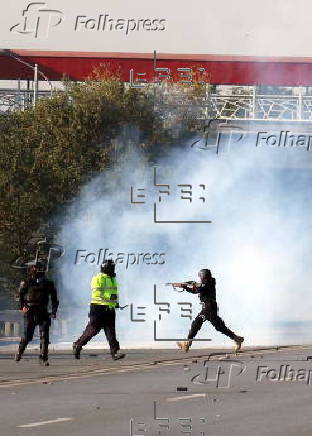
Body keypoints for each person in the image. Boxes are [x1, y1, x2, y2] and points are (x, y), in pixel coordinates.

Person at [176, 269, 244, 352]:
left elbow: (197, 289)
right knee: (220, 327)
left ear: (204, 277)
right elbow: (196, 287)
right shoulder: (209, 282)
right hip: (210, 308)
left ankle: (187, 344)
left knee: (197, 323)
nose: (200, 279)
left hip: (208, 308)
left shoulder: (206, 284)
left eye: (201, 277)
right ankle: (237, 338)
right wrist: (187, 284)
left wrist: (185, 287)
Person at [73, 259, 125, 361]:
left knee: (111, 332)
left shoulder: (113, 279)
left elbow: (114, 293)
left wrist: (116, 303)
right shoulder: (98, 278)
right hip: (98, 308)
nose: (113, 269)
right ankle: (78, 344)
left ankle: (115, 352)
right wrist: (110, 297)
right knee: (92, 330)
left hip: (109, 309)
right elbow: (97, 293)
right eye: (111, 267)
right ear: (106, 268)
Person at [15, 262, 59, 366]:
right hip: (30, 311)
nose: (39, 270)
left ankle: (43, 358)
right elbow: (19, 296)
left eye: (41, 268)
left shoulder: (49, 283)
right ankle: (19, 352)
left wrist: (53, 311)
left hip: (43, 310)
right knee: (27, 336)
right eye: (36, 268)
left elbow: (54, 299)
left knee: (44, 336)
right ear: (32, 269)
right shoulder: (26, 282)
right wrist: (22, 306)